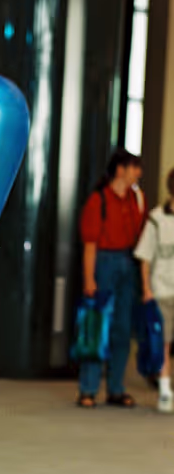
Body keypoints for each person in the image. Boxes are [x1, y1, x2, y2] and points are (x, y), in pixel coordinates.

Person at [77, 149, 146, 408]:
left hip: (128, 263)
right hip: (104, 262)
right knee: (96, 326)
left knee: (122, 327)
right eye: (134, 167)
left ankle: (116, 388)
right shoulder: (99, 200)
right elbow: (90, 244)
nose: (138, 173)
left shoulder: (136, 199)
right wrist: (89, 280)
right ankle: (88, 388)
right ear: (120, 170)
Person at [134, 167, 174, 413]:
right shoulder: (156, 219)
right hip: (161, 291)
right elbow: (145, 258)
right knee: (165, 343)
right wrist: (147, 289)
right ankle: (165, 390)